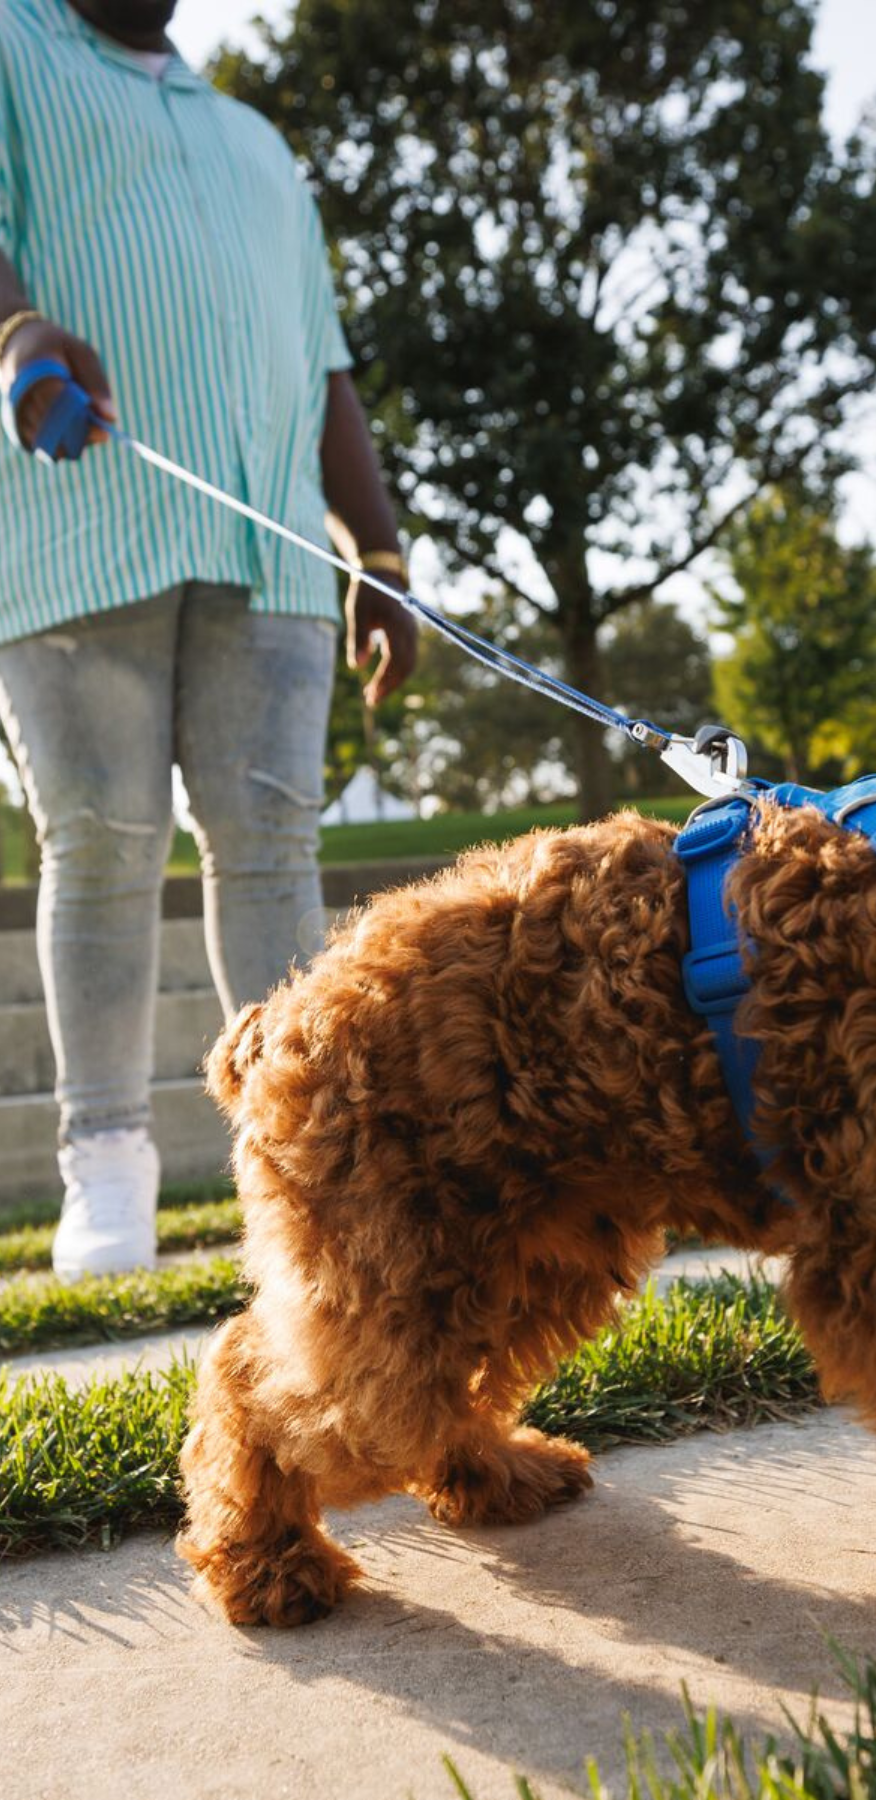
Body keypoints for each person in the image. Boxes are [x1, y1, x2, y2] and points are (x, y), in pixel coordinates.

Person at [0, 0, 418, 1277]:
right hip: (80, 517)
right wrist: (15, 328)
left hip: (271, 545)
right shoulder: (12, 41)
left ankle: (302, 1169)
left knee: (272, 845)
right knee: (102, 842)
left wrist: (381, 550)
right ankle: (107, 1168)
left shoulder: (250, 138)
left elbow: (328, 361)